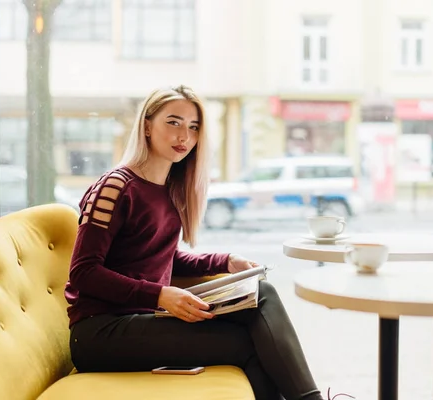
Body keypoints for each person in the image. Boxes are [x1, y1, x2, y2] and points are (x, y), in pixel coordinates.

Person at [64, 86, 349, 400]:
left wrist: (225, 262)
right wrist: (160, 294)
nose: (183, 135)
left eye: (193, 127)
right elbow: (83, 272)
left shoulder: (169, 190)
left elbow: (159, 257)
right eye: (173, 122)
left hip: (145, 319)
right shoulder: (115, 186)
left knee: (260, 292)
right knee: (249, 343)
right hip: (100, 333)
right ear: (146, 125)